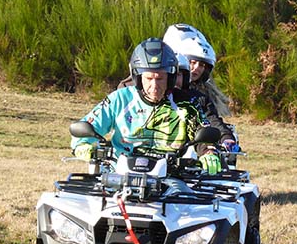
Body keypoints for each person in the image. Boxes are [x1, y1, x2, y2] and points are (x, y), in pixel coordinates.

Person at [71, 38, 222, 174]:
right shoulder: (119, 99)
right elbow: (88, 127)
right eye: (148, 78)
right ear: (137, 78)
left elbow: (202, 131)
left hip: (171, 179)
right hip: (118, 176)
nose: (154, 85)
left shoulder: (187, 104)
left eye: (160, 78)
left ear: (171, 78)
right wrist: (83, 145)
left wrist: (208, 152)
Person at [162, 24, 238, 152]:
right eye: (192, 62)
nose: (196, 68)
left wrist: (226, 138)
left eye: (202, 65)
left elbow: (210, 121)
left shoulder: (198, 98)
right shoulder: (136, 92)